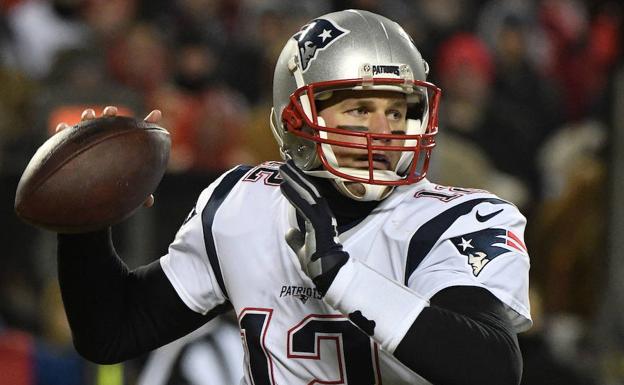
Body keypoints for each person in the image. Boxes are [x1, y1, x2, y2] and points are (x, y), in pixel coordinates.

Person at [54, 9, 531, 385]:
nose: (384, 132)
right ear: (295, 117)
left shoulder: (464, 220)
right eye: (360, 108)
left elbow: (490, 368)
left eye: (399, 109)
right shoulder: (243, 202)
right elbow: (112, 332)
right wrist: (86, 222)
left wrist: (339, 274)